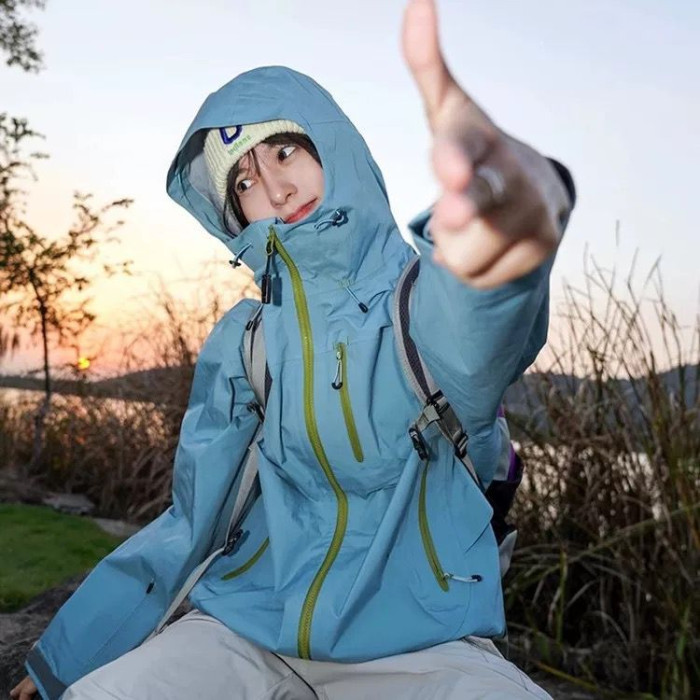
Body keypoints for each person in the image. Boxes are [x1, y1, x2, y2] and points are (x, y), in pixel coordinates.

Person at [11, 1, 575, 698]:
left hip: (422, 646)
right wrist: (65, 659)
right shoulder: (246, 342)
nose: (275, 188)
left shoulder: (418, 306)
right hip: (244, 628)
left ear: (331, 149)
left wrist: (502, 227)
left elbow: (481, 323)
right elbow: (190, 520)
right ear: (233, 213)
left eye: (284, 152)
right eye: (245, 182)